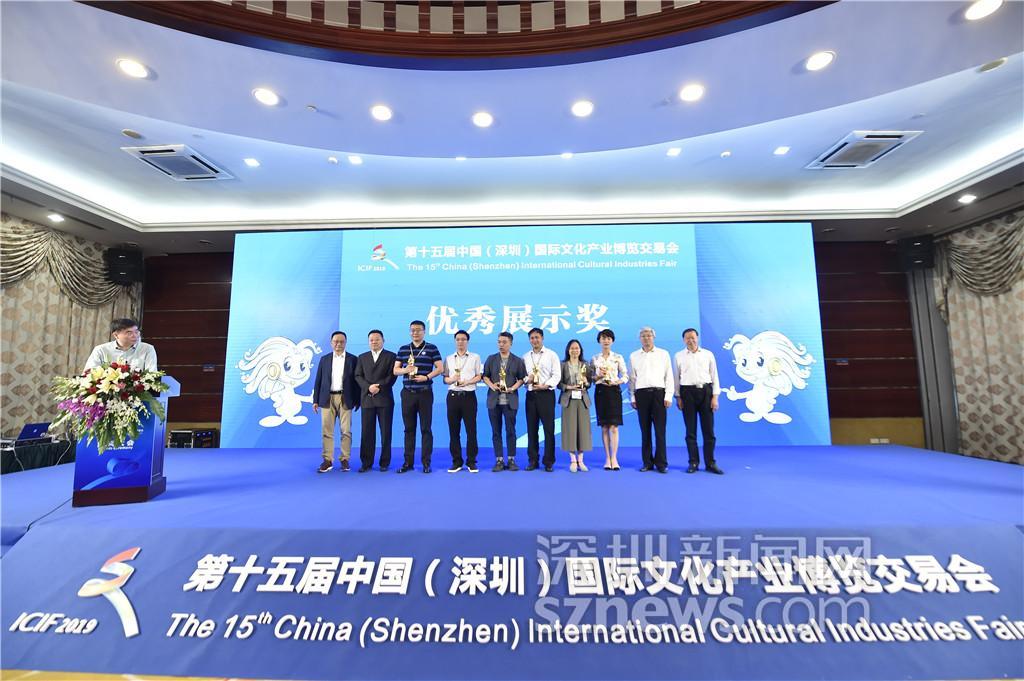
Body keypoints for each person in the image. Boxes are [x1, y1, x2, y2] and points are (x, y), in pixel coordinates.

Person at [393, 320, 443, 474]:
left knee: (426, 429)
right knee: (409, 429)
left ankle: (426, 463)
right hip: (408, 393)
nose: (415, 333)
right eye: (412, 330)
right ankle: (408, 463)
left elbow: (440, 368)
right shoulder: (403, 349)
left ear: (424, 331)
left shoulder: (432, 348)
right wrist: (406, 370)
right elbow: (395, 370)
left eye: (418, 330)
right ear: (410, 332)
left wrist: (426, 377)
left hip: (425, 393)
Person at [674, 328, 724, 475]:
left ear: (697, 338)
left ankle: (710, 463)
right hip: (687, 393)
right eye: (687, 338)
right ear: (684, 340)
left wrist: (715, 397)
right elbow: (676, 378)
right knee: (690, 431)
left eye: (693, 337)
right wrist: (678, 397)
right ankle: (693, 462)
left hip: (706, 392)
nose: (691, 340)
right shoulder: (678, 356)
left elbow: (714, 376)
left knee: (709, 431)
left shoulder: (708, 354)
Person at [312, 331, 360, 473]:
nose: (338, 344)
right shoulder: (324, 359)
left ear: (346, 342)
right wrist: (315, 400)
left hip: (346, 398)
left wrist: (357, 400)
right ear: (331, 342)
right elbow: (318, 380)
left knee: (346, 431)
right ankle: (327, 460)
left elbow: (357, 381)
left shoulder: (353, 359)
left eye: (341, 341)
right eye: (336, 341)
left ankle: (345, 459)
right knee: (327, 431)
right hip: (327, 398)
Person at [628, 326, 673, 473]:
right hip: (641, 395)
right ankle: (647, 462)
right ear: (639, 338)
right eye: (643, 336)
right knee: (645, 430)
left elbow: (669, 376)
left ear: (654, 337)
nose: (646, 338)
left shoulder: (663, 354)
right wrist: (632, 396)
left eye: (648, 335)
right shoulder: (634, 356)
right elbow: (632, 379)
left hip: (659, 394)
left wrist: (668, 395)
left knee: (660, 431)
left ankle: (661, 463)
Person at [481, 332, 526, 472]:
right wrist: (492, 386)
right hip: (493, 400)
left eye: (504, 342)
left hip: (510, 400)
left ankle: (511, 459)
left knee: (510, 430)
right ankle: (499, 460)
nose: (501, 344)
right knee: (496, 431)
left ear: (510, 343)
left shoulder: (517, 360)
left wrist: (513, 388)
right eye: (499, 342)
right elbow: (485, 376)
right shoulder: (491, 359)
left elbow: (522, 379)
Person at [354, 329, 397, 472]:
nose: (374, 342)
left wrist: (379, 387)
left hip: (385, 399)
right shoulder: (362, 357)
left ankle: (384, 462)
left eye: (377, 339)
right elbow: (358, 375)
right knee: (366, 433)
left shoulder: (391, 356)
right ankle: (366, 463)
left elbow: (392, 376)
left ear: (383, 340)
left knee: (386, 432)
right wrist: (368, 387)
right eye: (371, 340)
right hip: (367, 399)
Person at [444, 330, 482, 473]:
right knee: (454, 431)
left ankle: (471, 461)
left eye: (463, 339)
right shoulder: (449, 358)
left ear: (467, 341)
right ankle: (456, 461)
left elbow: (479, 376)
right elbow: (445, 378)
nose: (460, 342)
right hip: (453, 396)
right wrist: (452, 379)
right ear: (455, 341)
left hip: (469, 396)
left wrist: (468, 382)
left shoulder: (475, 357)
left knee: (471, 430)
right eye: (458, 339)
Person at [523, 327, 561, 471]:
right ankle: (533, 460)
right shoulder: (525, 357)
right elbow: (522, 377)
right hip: (531, 395)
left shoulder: (551, 355)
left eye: (537, 337)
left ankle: (549, 461)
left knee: (549, 429)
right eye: (532, 338)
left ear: (542, 338)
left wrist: (545, 385)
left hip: (546, 395)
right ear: (529, 340)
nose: (535, 340)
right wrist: (528, 380)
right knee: (531, 429)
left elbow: (556, 375)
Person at [591, 328, 628, 471]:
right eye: (603, 338)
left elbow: (625, 375)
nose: (606, 341)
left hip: (614, 391)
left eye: (608, 338)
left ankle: (614, 458)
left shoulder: (618, 357)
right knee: (604, 426)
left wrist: (617, 381)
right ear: (599, 341)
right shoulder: (595, 359)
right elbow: (591, 379)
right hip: (601, 392)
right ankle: (607, 458)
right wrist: (598, 376)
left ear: (612, 341)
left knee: (614, 426)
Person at [559, 339, 593, 472]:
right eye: (572, 348)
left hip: (582, 400)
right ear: (568, 350)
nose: (575, 350)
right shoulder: (563, 365)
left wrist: (586, 383)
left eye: (577, 348)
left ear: (580, 350)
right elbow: (558, 383)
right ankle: (573, 460)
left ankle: (581, 460)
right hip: (568, 399)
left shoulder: (586, 364)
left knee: (583, 430)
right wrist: (569, 387)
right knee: (570, 430)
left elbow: (589, 383)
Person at [84, 318, 157, 371]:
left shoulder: (147, 349)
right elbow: (89, 372)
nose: (135, 335)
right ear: (116, 335)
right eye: (129, 333)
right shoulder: (101, 350)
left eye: (136, 332)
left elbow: (152, 373)